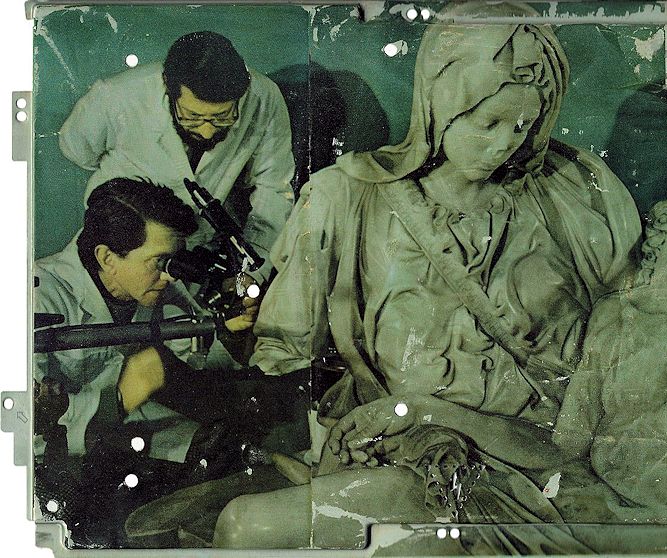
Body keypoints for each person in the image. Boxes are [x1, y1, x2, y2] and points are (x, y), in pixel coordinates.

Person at [210, 1, 641, 550]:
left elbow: (636, 347)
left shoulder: (574, 195)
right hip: (415, 458)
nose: (504, 143)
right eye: (486, 122)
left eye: (522, 124)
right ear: (439, 102)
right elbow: (282, 359)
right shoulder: (346, 199)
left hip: (548, 472)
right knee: (246, 526)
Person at [280, 186, 667, 554]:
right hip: (572, 519)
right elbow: (560, 452)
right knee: (274, 524)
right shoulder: (615, 319)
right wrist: (423, 411)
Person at [34, 178, 261, 545]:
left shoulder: (153, 285)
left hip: (131, 450)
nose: (169, 275)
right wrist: (123, 395)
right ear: (107, 258)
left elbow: (207, 365)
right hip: (62, 479)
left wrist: (233, 330)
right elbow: (27, 435)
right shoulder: (38, 296)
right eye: (159, 262)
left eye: (173, 261)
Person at [58, 31, 294, 281]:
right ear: (168, 88)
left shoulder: (264, 97)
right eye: (192, 117)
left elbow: (274, 191)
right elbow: (76, 149)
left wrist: (251, 273)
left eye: (222, 117)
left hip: (198, 255)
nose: (206, 132)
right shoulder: (116, 96)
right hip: (122, 251)